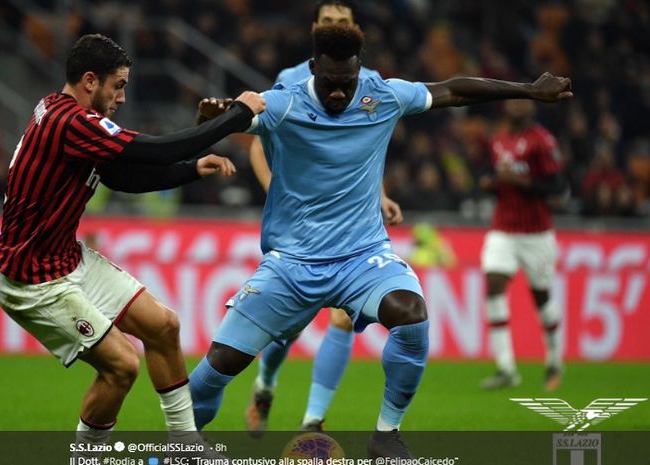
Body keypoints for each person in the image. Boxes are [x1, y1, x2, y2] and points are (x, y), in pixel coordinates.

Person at [191, 24, 571, 458]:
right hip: (292, 264)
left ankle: (386, 436)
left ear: (359, 71)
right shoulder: (286, 100)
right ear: (313, 68)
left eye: (347, 84)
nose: (339, 94)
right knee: (217, 368)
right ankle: (184, 442)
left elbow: (453, 91)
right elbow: (237, 118)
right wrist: (215, 117)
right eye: (330, 84)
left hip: (363, 258)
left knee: (412, 316)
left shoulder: (382, 95)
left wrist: (527, 90)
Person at [0, 34, 264, 449]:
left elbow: (123, 177)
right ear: (89, 81)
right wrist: (237, 114)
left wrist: (191, 169)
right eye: (117, 85)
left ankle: (185, 447)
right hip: (31, 278)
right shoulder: (72, 122)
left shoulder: (64, 113)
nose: (120, 97)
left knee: (163, 325)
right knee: (121, 366)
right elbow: (151, 150)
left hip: (64, 258)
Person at [244, 0, 404, 436]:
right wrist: (276, 193)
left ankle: (313, 420)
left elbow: (363, 152)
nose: (335, 26)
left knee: (343, 318)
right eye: (329, 21)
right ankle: (266, 382)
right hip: (299, 228)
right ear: (316, 29)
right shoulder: (291, 81)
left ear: (356, 31)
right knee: (287, 328)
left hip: (353, 230)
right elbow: (260, 143)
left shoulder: (371, 83)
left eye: (343, 22)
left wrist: (380, 197)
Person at [478, 99, 566, 391]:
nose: (516, 106)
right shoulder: (498, 139)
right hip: (503, 228)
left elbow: (557, 187)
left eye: (522, 102)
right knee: (493, 285)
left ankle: (554, 359)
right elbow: (498, 179)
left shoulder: (542, 140)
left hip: (536, 233)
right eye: (513, 100)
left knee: (541, 297)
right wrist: (492, 184)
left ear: (531, 108)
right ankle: (505, 368)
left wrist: (519, 180)